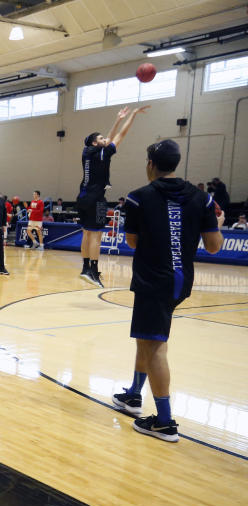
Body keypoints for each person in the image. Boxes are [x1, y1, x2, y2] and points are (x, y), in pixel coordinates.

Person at [113, 139, 223, 442]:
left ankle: (164, 421)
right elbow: (214, 247)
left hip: (153, 281)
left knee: (155, 345)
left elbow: (133, 242)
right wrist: (218, 222)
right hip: (179, 281)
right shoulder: (202, 199)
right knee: (146, 337)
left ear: (150, 164)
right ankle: (134, 395)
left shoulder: (137, 199)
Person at [77, 105, 149, 287]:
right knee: (96, 236)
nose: (105, 139)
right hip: (96, 198)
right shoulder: (101, 152)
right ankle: (92, 271)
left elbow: (111, 138)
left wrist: (124, 117)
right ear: (95, 142)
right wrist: (126, 117)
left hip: (83, 196)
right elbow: (118, 136)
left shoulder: (88, 152)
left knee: (86, 233)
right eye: (100, 138)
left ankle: (85, 268)